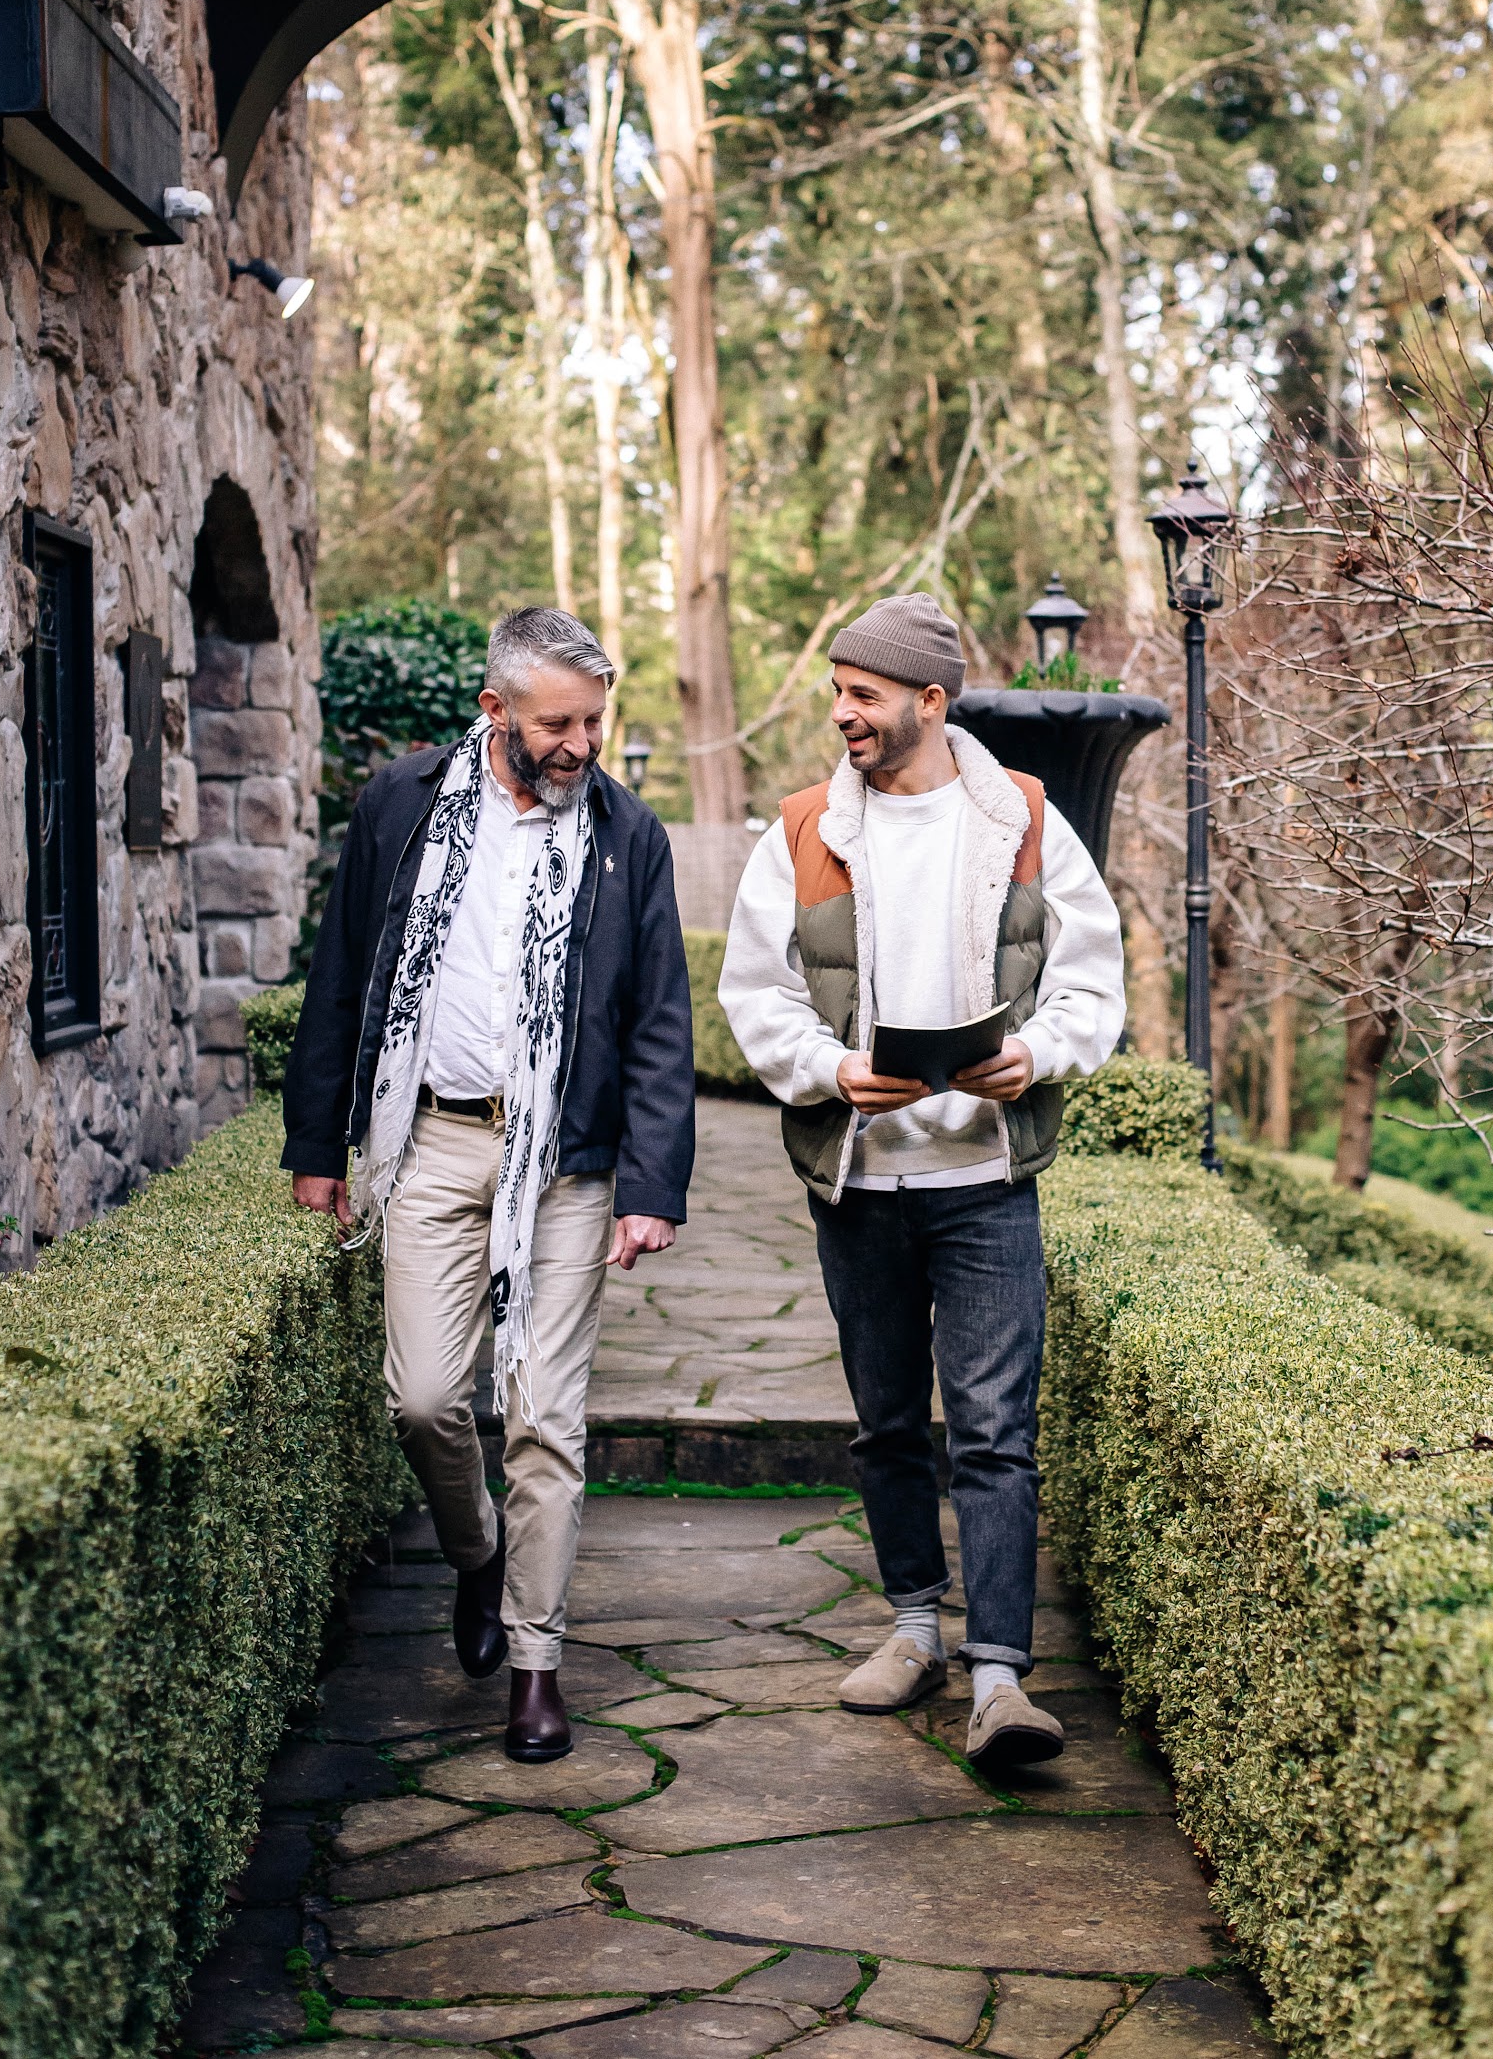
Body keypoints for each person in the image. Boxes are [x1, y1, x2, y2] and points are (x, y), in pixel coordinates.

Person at [719, 591, 1124, 1777]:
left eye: (864, 695)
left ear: (929, 703)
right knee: (887, 1422)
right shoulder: (798, 829)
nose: (841, 712)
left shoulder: (1027, 823)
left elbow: (1092, 981)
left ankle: (997, 1677)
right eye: (837, 692)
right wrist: (830, 1069)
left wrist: (1035, 1054)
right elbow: (757, 993)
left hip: (986, 1176)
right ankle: (912, 1629)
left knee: (994, 1431)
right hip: (856, 1179)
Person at [283, 606, 693, 1763]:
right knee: (421, 1397)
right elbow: (341, 976)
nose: (579, 744)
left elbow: (661, 1020)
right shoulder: (398, 806)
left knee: (545, 1418)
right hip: (431, 1142)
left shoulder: (627, 834)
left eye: (594, 722)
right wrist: (318, 1145)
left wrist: (650, 1183)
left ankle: (534, 1663)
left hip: (564, 1161)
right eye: (556, 722)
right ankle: (478, 1560)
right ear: (493, 709)